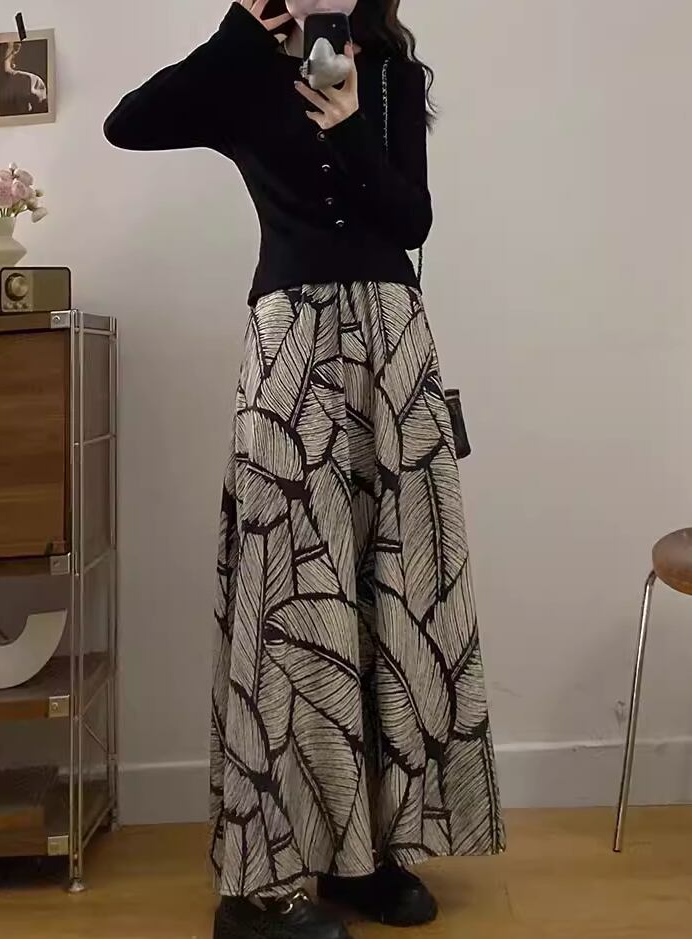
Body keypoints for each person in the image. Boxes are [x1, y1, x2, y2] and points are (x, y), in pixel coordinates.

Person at [104, 2, 505, 936]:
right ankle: (257, 884)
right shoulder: (242, 68)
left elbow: (412, 218)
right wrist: (239, 31)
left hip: (391, 346)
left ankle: (364, 857)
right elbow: (129, 124)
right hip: (289, 347)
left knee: (392, 591)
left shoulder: (390, 71)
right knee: (288, 601)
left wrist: (353, 123)